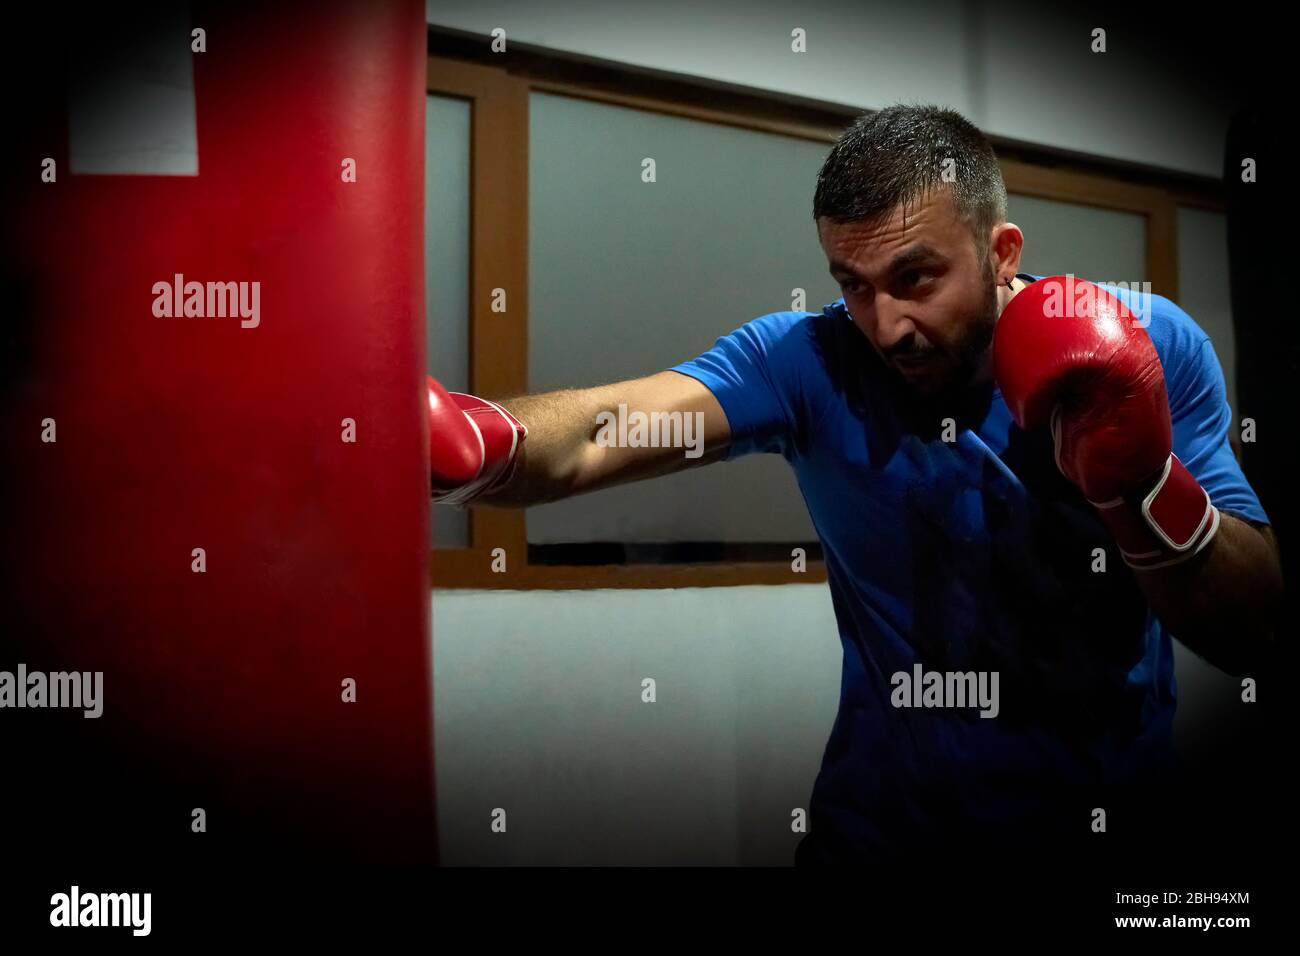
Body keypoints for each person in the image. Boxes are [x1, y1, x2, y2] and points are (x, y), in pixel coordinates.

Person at [427, 105, 1283, 867]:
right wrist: (476, 440)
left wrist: (1138, 487)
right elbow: (610, 429)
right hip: (877, 836)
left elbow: (1257, 628)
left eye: (915, 279)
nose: (885, 326)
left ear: (1001, 251)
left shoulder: (1151, 344)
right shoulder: (811, 361)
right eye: (852, 284)